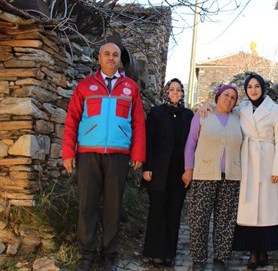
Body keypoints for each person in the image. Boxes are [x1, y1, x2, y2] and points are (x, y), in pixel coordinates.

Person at [62, 42, 146, 271]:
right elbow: (72, 120)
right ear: (99, 58)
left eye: (115, 55)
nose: (111, 58)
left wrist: (138, 152)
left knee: (113, 207)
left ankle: (110, 254)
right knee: (87, 206)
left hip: (118, 156)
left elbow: (138, 123)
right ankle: (86, 254)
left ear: (120, 59)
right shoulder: (85, 86)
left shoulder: (131, 88)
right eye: (107, 54)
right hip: (88, 154)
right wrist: (68, 151)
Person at [183, 85, 243, 271]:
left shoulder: (239, 118)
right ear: (217, 97)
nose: (229, 99)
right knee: (199, 218)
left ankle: (220, 259)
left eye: (233, 97)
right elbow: (190, 144)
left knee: (225, 219)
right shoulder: (203, 115)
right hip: (203, 175)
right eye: (226, 95)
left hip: (231, 177)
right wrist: (188, 168)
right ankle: (199, 260)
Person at [232, 73, 278, 270]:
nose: (253, 90)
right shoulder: (242, 110)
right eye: (250, 87)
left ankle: (264, 249)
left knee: (267, 207)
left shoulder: (275, 109)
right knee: (248, 206)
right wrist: (207, 107)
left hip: (267, 159)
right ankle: (252, 252)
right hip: (247, 160)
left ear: (263, 88)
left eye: (257, 86)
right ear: (246, 90)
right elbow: (223, 108)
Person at [142, 78, 194, 268]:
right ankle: (156, 253)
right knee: (158, 212)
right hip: (158, 171)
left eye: (179, 90)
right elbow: (149, 140)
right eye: (172, 89)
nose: (175, 93)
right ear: (166, 92)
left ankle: (169, 253)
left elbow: (193, 141)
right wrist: (147, 167)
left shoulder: (188, 115)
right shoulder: (156, 113)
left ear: (182, 94)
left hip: (179, 173)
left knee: (174, 213)